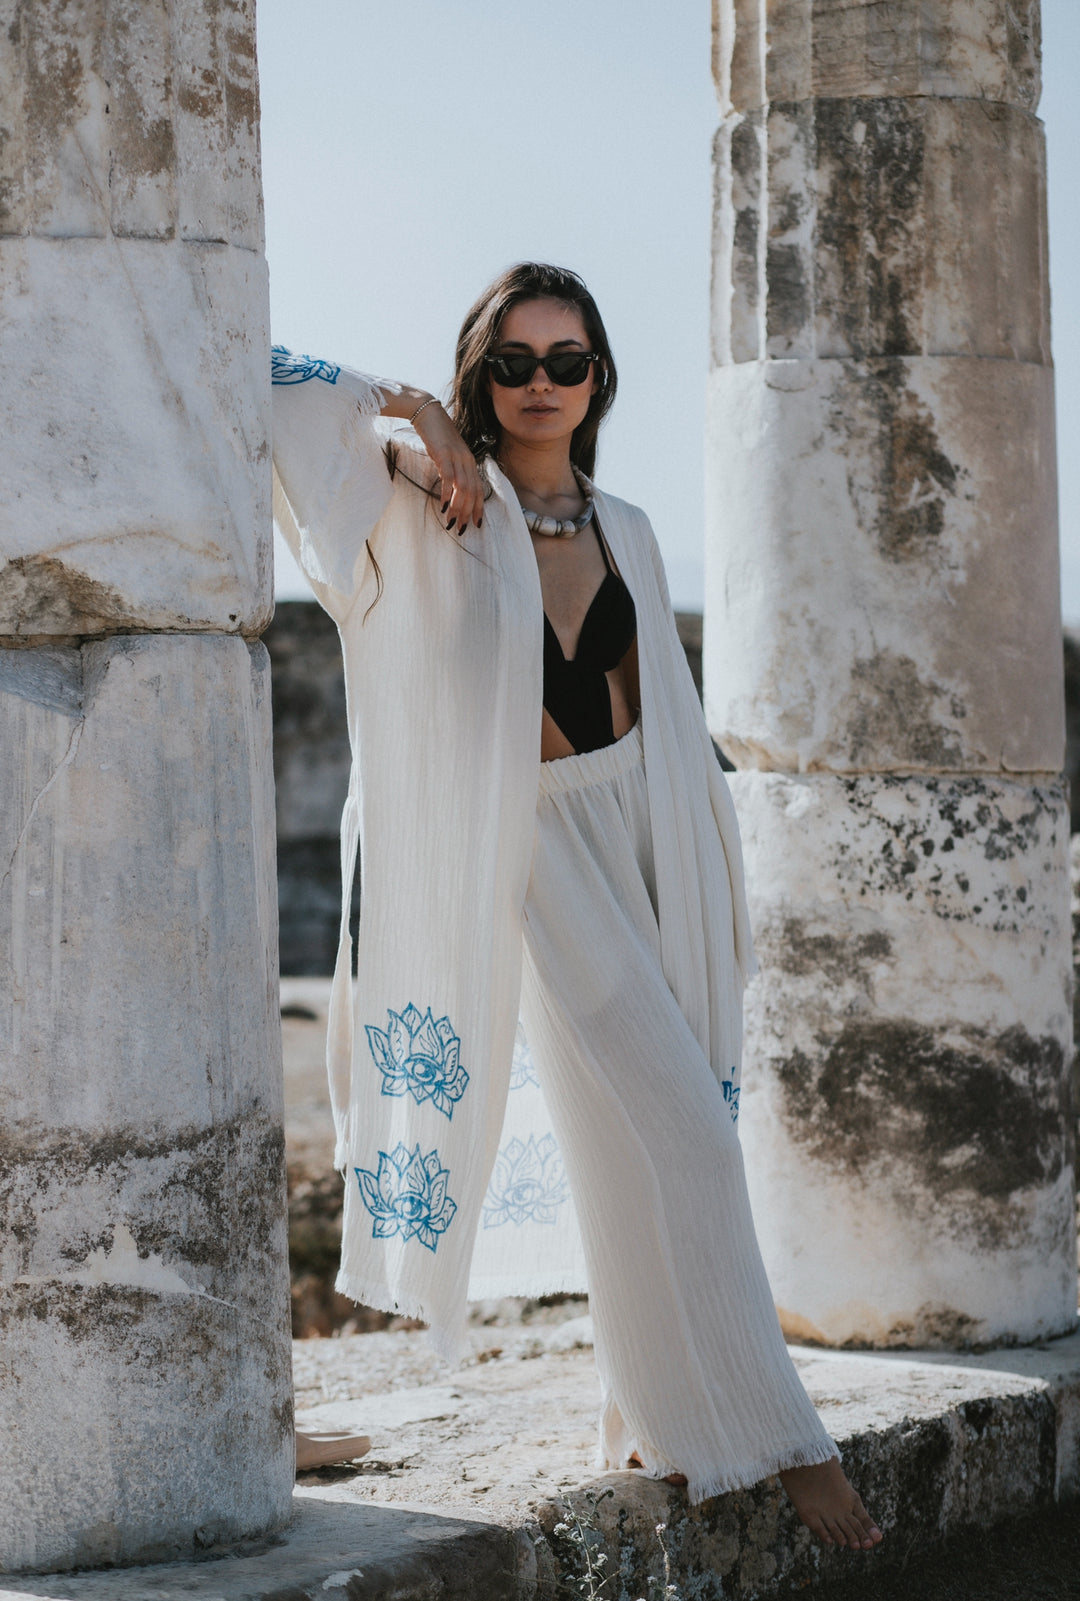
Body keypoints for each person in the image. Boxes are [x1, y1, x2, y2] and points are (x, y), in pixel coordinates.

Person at [271, 262, 883, 1552]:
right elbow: (249, 379)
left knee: (633, 1144)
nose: (541, 385)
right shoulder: (420, 501)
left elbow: (668, 727)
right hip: (527, 853)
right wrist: (406, 409)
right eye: (513, 362)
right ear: (478, 375)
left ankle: (653, 1416)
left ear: (601, 378)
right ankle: (787, 1445)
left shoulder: (632, 531)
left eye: (568, 361)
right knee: (690, 1138)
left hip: (641, 836)